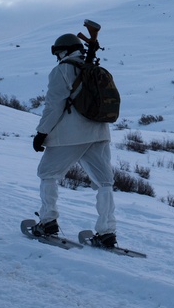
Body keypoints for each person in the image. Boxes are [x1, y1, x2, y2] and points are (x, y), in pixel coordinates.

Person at [31, 33, 117, 247]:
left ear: (63, 51)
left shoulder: (62, 70)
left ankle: (48, 221)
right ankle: (107, 232)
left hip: (71, 135)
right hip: (99, 133)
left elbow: (54, 105)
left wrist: (42, 133)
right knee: (104, 182)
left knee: (47, 174)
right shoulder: (94, 69)